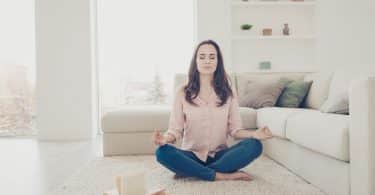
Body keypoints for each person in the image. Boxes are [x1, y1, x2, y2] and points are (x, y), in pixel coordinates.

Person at [152, 40, 273, 181]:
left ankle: (192, 171)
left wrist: (254, 134)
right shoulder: (182, 92)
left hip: (220, 155)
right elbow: (175, 130)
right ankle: (220, 175)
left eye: (212, 57)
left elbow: (235, 131)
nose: (207, 61)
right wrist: (164, 139)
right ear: (195, 61)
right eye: (202, 57)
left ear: (218, 61)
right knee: (162, 153)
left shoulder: (228, 92)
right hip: (191, 155)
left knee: (254, 145)